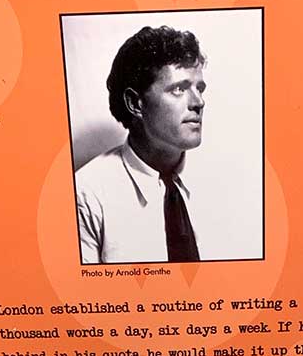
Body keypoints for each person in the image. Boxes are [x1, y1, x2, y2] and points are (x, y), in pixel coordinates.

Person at [75, 26, 206, 265]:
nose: (199, 102)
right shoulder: (87, 195)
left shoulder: (224, 183)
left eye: (199, 88)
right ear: (135, 103)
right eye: (179, 89)